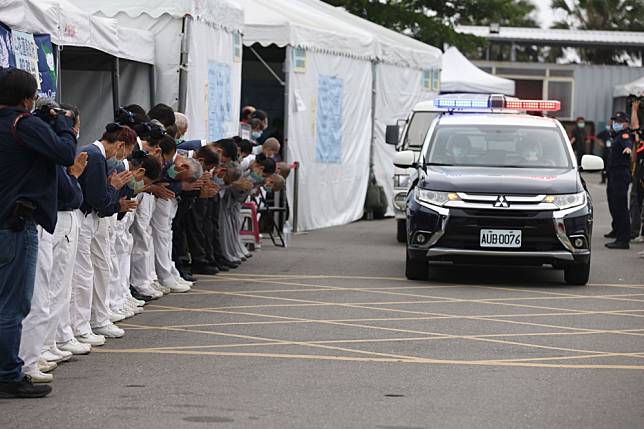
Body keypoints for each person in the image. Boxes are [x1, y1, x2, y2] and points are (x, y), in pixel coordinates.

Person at [0, 68, 77, 398]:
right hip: (16, 226)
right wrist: (62, 124)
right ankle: (8, 375)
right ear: (27, 98)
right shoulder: (24, 124)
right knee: (13, 305)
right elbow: (64, 153)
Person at [605, 112, 633, 249]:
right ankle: (617, 230)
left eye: (619, 121)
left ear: (626, 123)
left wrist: (628, 149)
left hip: (621, 174)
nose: (616, 123)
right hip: (613, 173)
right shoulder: (615, 135)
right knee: (614, 204)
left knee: (621, 207)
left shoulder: (624, 135)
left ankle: (623, 239)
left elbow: (628, 144)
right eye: (615, 121)